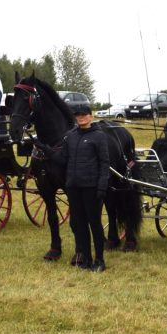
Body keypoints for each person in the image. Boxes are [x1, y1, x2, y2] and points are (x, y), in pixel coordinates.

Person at [54, 104, 110, 272]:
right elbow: (63, 159)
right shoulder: (70, 136)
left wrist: (102, 186)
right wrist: (47, 151)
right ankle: (85, 258)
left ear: (90, 116)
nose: (81, 118)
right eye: (78, 115)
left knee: (94, 224)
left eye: (84, 115)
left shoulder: (99, 137)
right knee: (79, 224)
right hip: (74, 187)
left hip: (91, 187)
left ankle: (99, 260)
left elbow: (104, 163)